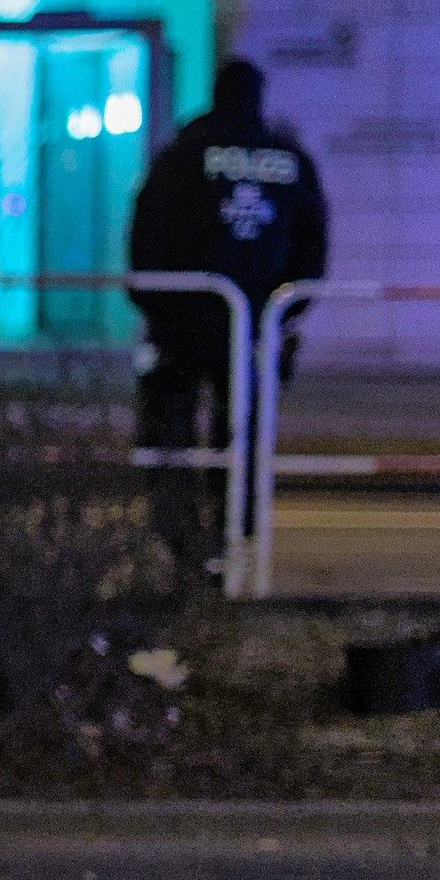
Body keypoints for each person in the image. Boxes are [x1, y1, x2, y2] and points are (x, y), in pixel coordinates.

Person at [127, 57, 331, 568]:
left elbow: (145, 233)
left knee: (171, 437)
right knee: (243, 436)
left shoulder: (182, 154)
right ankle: (233, 537)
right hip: (257, 326)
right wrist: (285, 311)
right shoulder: (290, 159)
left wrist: (158, 304)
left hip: (181, 327)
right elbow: (314, 244)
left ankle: (180, 542)